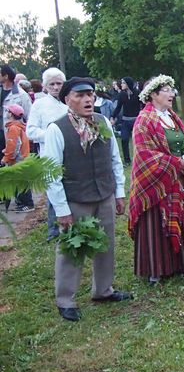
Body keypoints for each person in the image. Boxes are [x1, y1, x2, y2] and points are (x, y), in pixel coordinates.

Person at [43, 77, 132, 321]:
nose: (87, 99)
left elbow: (114, 159)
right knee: (72, 249)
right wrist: (62, 209)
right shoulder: (57, 129)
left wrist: (119, 192)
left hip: (104, 194)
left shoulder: (102, 122)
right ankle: (65, 299)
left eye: (90, 94)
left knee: (106, 245)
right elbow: (51, 173)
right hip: (76, 199)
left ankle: (103, 290)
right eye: (80, 95)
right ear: (67, 99)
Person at [128, 75, 184, 284]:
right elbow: (144, 153)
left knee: (178, 213)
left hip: (177, 178)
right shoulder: (144, 120)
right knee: (156, 221)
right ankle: (157, 269)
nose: (172, 94)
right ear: (153, 94)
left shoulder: (172, 117)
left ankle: (181, 264)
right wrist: (175, 162)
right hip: (155, 182)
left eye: (171, 89)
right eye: (167, 90)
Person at [27, 68, 68, 241]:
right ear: (45, 86)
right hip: (50, 156)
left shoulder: (69, 102)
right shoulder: (39, 105)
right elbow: (31, 131)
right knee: (53, 190)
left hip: (72, 154)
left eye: (59, 83)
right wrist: (52, 135)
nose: (56, 87)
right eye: (52, 84)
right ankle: (54, 230)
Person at [2, 104, 33, 211]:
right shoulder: (20, 127)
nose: (6, 113)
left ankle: (27, 205)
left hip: (18, 161)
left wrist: (6, 158)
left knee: (21, 183)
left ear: (11, 114)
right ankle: (23, 203)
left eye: (7, 111)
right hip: (24, 158)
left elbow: (13, 146)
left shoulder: (13, 128)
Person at [111, 77, 142, 165]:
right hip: (125, 121)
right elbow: (118, 108)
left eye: (123, 83)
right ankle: (127, 160)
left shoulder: (137, 93)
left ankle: (140, 159)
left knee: (139, 141)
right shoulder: (122, 95)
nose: (121, 84)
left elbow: (143, 105)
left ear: (128, 84)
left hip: (136, 121)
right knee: (124, 139)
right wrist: (112, 117)